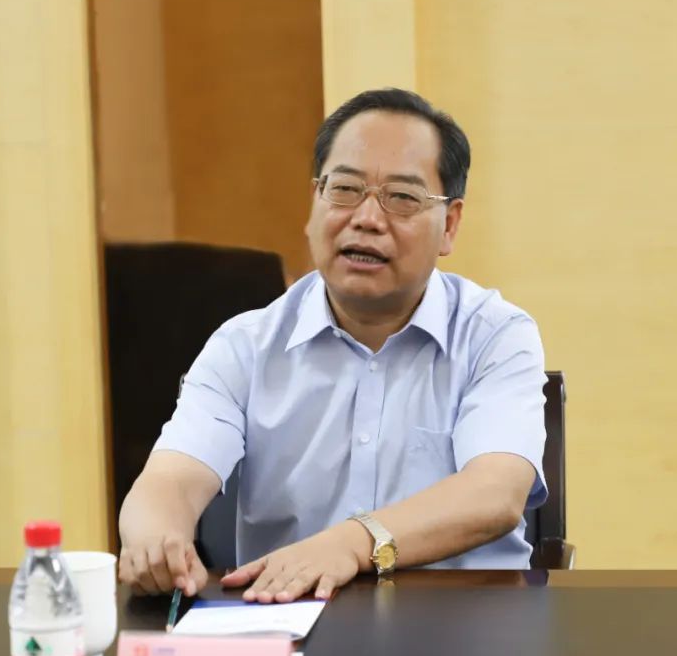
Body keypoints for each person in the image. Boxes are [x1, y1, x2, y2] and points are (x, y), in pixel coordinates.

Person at [118, 88, 547, 603]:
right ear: (314, 204)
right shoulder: (244, 347)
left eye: (402, 198)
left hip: (465, 623)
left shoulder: (494, 336)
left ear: (449, 225)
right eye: (344, 189)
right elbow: (170, 479)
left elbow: (496, 493)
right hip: (286, 618)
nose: (366, 218)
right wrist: (155, 537)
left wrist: (353, 543)